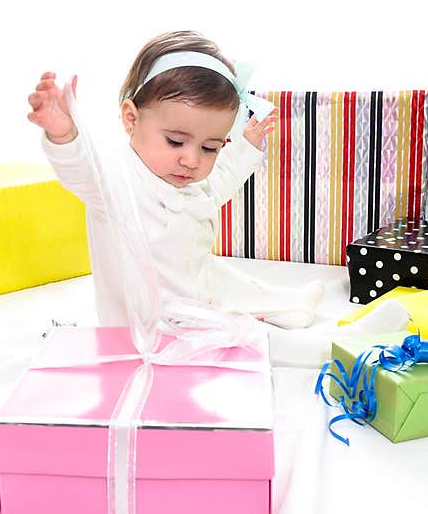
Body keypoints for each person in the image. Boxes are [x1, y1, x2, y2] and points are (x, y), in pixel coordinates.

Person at [27, 30, 325, 330]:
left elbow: (221, 181)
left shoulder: (192, 180)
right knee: (223, 322)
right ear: (131, 119)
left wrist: (246, 146)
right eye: (175, 141)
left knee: (239, 287)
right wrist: (63, 134)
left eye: (210, 147)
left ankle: (291, 303)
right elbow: (82, 171)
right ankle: (278, 307)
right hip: (144, 321)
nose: (192, 161)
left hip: (200, 284)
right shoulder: (116, 179)